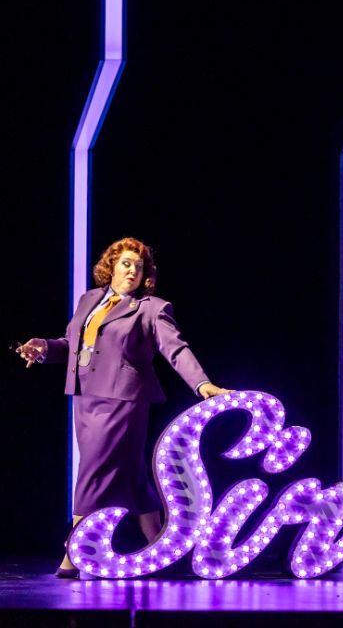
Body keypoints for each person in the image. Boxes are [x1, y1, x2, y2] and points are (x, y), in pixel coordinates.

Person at [16, 237, 229, 578]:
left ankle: (74, 551)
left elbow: (176, 350)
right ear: (111, 266)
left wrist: (203, 384)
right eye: (126, 263)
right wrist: (42, 348)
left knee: (93, 472)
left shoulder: (151, 308)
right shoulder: (90, 300)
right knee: (132, 476)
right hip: (85, 399)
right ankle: (161, 543)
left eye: (139, 266)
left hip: (123, 401)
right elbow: (73, 346)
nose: (132, 270)